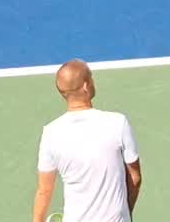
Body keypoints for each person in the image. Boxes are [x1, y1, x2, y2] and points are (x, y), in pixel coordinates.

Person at [33, 59, 143, 222]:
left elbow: (44, 191)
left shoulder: (50, 133)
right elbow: (135, 177)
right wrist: (125, 213)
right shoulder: (118, 123)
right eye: (90, 77)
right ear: (86, 85)